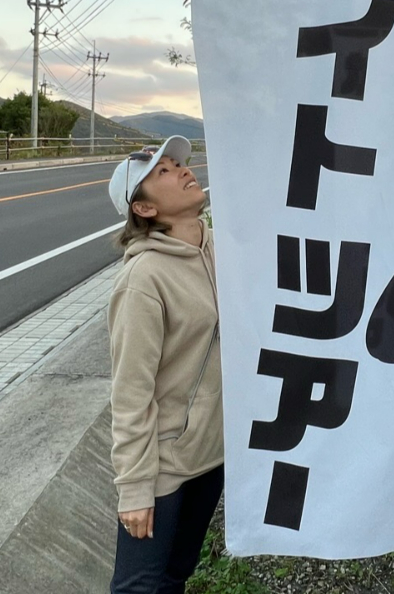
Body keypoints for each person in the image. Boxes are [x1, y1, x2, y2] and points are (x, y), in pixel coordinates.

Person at [106, 136, 223, 594]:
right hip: (164, 465)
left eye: (178, 163)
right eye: (163, 172)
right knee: (138, 587)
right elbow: (130, 393)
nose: (182, 170)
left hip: (211, 454)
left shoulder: (218, 248)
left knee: (176, 575)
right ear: (146, 210)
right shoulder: (143, 280)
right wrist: (134, 488)